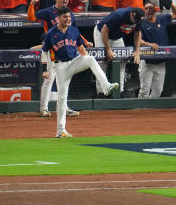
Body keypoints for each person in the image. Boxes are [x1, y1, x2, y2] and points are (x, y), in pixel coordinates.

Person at [43, 7, 119, 138]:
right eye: (65, 17)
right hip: (60, 66)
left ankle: (105, 86)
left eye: (69, 17)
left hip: (74, 61)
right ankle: (60, 131)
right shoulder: (51, 33)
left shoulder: (73, 30)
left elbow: (81, 47)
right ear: (58, 18)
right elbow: (45, 51)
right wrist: (46, 69)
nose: (68, 19)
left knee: (90, 59)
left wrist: (85, 61)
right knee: (62, 98)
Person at [27, 0, 83, 117]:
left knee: (64, 80)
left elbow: (74, 32)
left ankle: (64, 107)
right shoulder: (48, 11)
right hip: (51, 49)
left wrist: (85, 43)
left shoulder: (70, 14)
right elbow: (31, 17)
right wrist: (32, 5)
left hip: (64, 50)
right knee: (49, 79)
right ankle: (44, 109)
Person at [94, 7, 145, 96]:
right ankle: (101, 92)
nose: (136, 22)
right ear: (131, 14)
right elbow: (104, 30)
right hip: (102, 33)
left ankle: (120, 90)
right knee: (102, 63)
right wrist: (108, 49)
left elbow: (137, 33)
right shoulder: (119, 15)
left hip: (117, 37)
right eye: (135, 19)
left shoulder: (138, 19)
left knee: (122, 61)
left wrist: (137, 50)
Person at [138, 1, 176, 98]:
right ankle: (140, 111)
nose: (148, 10)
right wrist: (149, 44)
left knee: (158, 92)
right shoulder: (142, 23)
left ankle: (150, 112)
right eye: (146, 8)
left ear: (155, 10)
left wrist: (171, 4)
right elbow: (138, 40)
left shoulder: (162, 18)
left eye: (150, 8)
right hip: (147, 62)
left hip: (161, 62)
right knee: (144, 92)